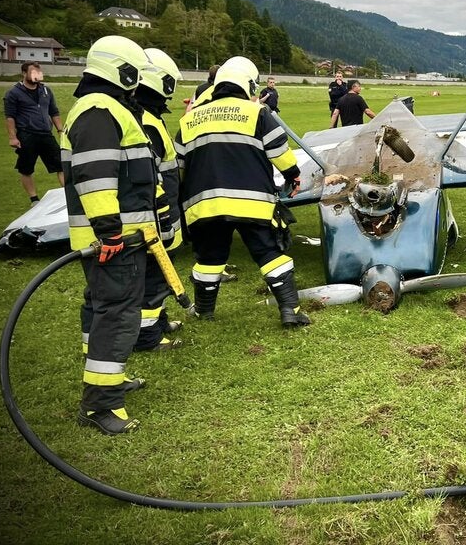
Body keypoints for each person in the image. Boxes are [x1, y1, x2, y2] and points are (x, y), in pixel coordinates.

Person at [61, 35, 158, 435]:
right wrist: (111, 233)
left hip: (116, 237)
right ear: (123, 71)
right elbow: (96, 176)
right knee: (116, 313)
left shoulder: (98, 109)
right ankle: (100, 403)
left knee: (103, 308)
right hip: (115, 240)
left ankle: (104, 381)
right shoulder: (101, 111)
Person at [176, 56, 310, 328]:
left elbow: (178, 166)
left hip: (204, 205)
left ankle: (204, 312)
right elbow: (280, 153)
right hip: (252, 203)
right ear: (249, 85)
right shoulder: (256, 113)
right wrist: (293, 176)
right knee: (270, 253)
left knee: (209, 259)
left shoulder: (189, 121)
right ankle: (290, 310)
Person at [133, 48, 185, 352]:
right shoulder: (148, 122)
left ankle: (159, 319)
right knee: (154, 274)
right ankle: (147, 336)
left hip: (161, 208)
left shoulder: (148, 117)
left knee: (162, 270)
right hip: (156, 212)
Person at [4, 61, 65, 204]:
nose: (37, 75)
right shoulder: (13, 93)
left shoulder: (46, 91)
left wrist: (60, 130)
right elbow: (10, 117)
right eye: (33, 72)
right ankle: (34, 199)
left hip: (46, 134)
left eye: (39, 72)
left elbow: (54, 112)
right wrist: (12, 137)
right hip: (27, 135)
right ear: (24, 73)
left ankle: (67, 194)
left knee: (61, 165)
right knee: (26, 169)